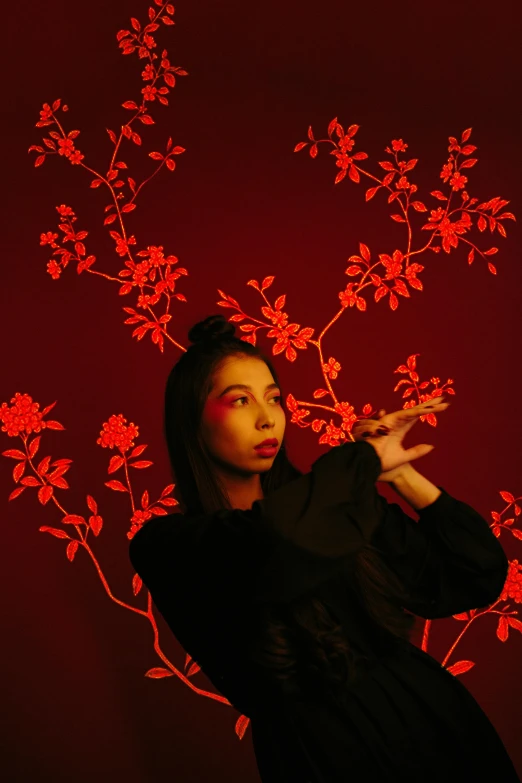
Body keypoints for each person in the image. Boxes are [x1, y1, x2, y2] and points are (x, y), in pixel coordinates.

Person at [129, 313, 520, 782]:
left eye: (274, 399)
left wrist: (400, 475)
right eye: (240, 400)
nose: (266, 416)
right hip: (325, 756)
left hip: (434, 725)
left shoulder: (333, 505)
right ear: (192, 420)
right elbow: (277, 542)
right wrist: (360, 461)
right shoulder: (170, 545)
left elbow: (471, 576)